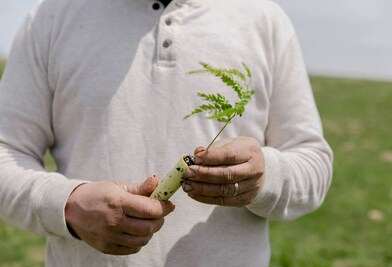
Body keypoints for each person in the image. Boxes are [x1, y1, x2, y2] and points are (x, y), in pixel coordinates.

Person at [0, 0, 333, 266]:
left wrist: (264, 177)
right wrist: (68, 206)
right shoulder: (52, 17)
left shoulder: (264, 19)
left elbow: (313, 163)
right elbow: (5, 153)